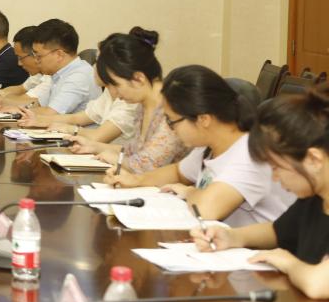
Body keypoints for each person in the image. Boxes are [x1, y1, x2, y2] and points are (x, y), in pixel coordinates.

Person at [107, 65, 294, 225]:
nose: (171, 129)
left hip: (260, 252)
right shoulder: (210, 145)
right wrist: (138, 180)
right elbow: (178, 172)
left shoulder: (249, 154)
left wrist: (190, 192)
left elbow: (206, 209)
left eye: (172, 121)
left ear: (203, 119)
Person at [190, 87, 329, 297]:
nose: (275, 178)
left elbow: (317, 284)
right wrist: (232, 237)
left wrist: (288, 263)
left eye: (277, 167)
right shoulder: (315, 198)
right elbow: (278, 231)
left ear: (314, 160)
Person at [67, 28, 189, 171]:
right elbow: (134, 151)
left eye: (115, 85)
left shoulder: (172, 107)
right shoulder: (143, 105)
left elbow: (150, 164)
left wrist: (117, 159)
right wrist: (95, 147)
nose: (113, 93)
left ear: (138, 79)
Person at [0, 19, 98, 115]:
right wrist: (2, 102)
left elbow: (51, 113)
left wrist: (19, 110)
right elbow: (37, 103)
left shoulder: (79, 76)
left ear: (59, 55)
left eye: (38, 56)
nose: (36, 61)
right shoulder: (57, 74)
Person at [0, 26, 52, 104]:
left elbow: (24, 102)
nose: (19, 63)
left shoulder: (50, 78)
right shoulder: (38, 75)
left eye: (20, 57)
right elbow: (21, 88)